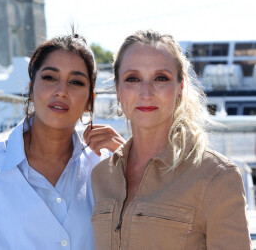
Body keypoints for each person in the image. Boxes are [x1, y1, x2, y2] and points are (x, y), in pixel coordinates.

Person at [0, 32, 124, 250]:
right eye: (49, 78)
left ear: (90, 101)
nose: (61, 91)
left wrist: (129, 155)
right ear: (30, 89)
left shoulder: (108, 168)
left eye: (75, 82)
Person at [91, 29, 252, 249]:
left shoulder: (216, 177)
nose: (146, 92)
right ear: (118, 90)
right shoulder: (101, 176)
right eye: (133, 79)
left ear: (180, 87)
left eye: (160, 78)